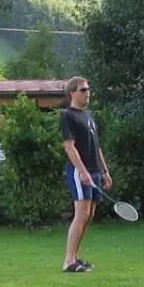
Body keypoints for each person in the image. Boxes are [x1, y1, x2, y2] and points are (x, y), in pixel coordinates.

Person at [59, 75, 110, 273]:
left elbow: (96, 147)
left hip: (95, 171)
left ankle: (75, 258)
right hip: (80, 172)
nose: (88, 93)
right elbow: (69, 147)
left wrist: (104, 171)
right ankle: (68, 261)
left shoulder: (89, 116)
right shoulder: (68, 116)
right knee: (81, 215)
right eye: (83, 90)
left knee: (89, 216)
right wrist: (82, 171)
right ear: (72, 93)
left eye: (88, 89)